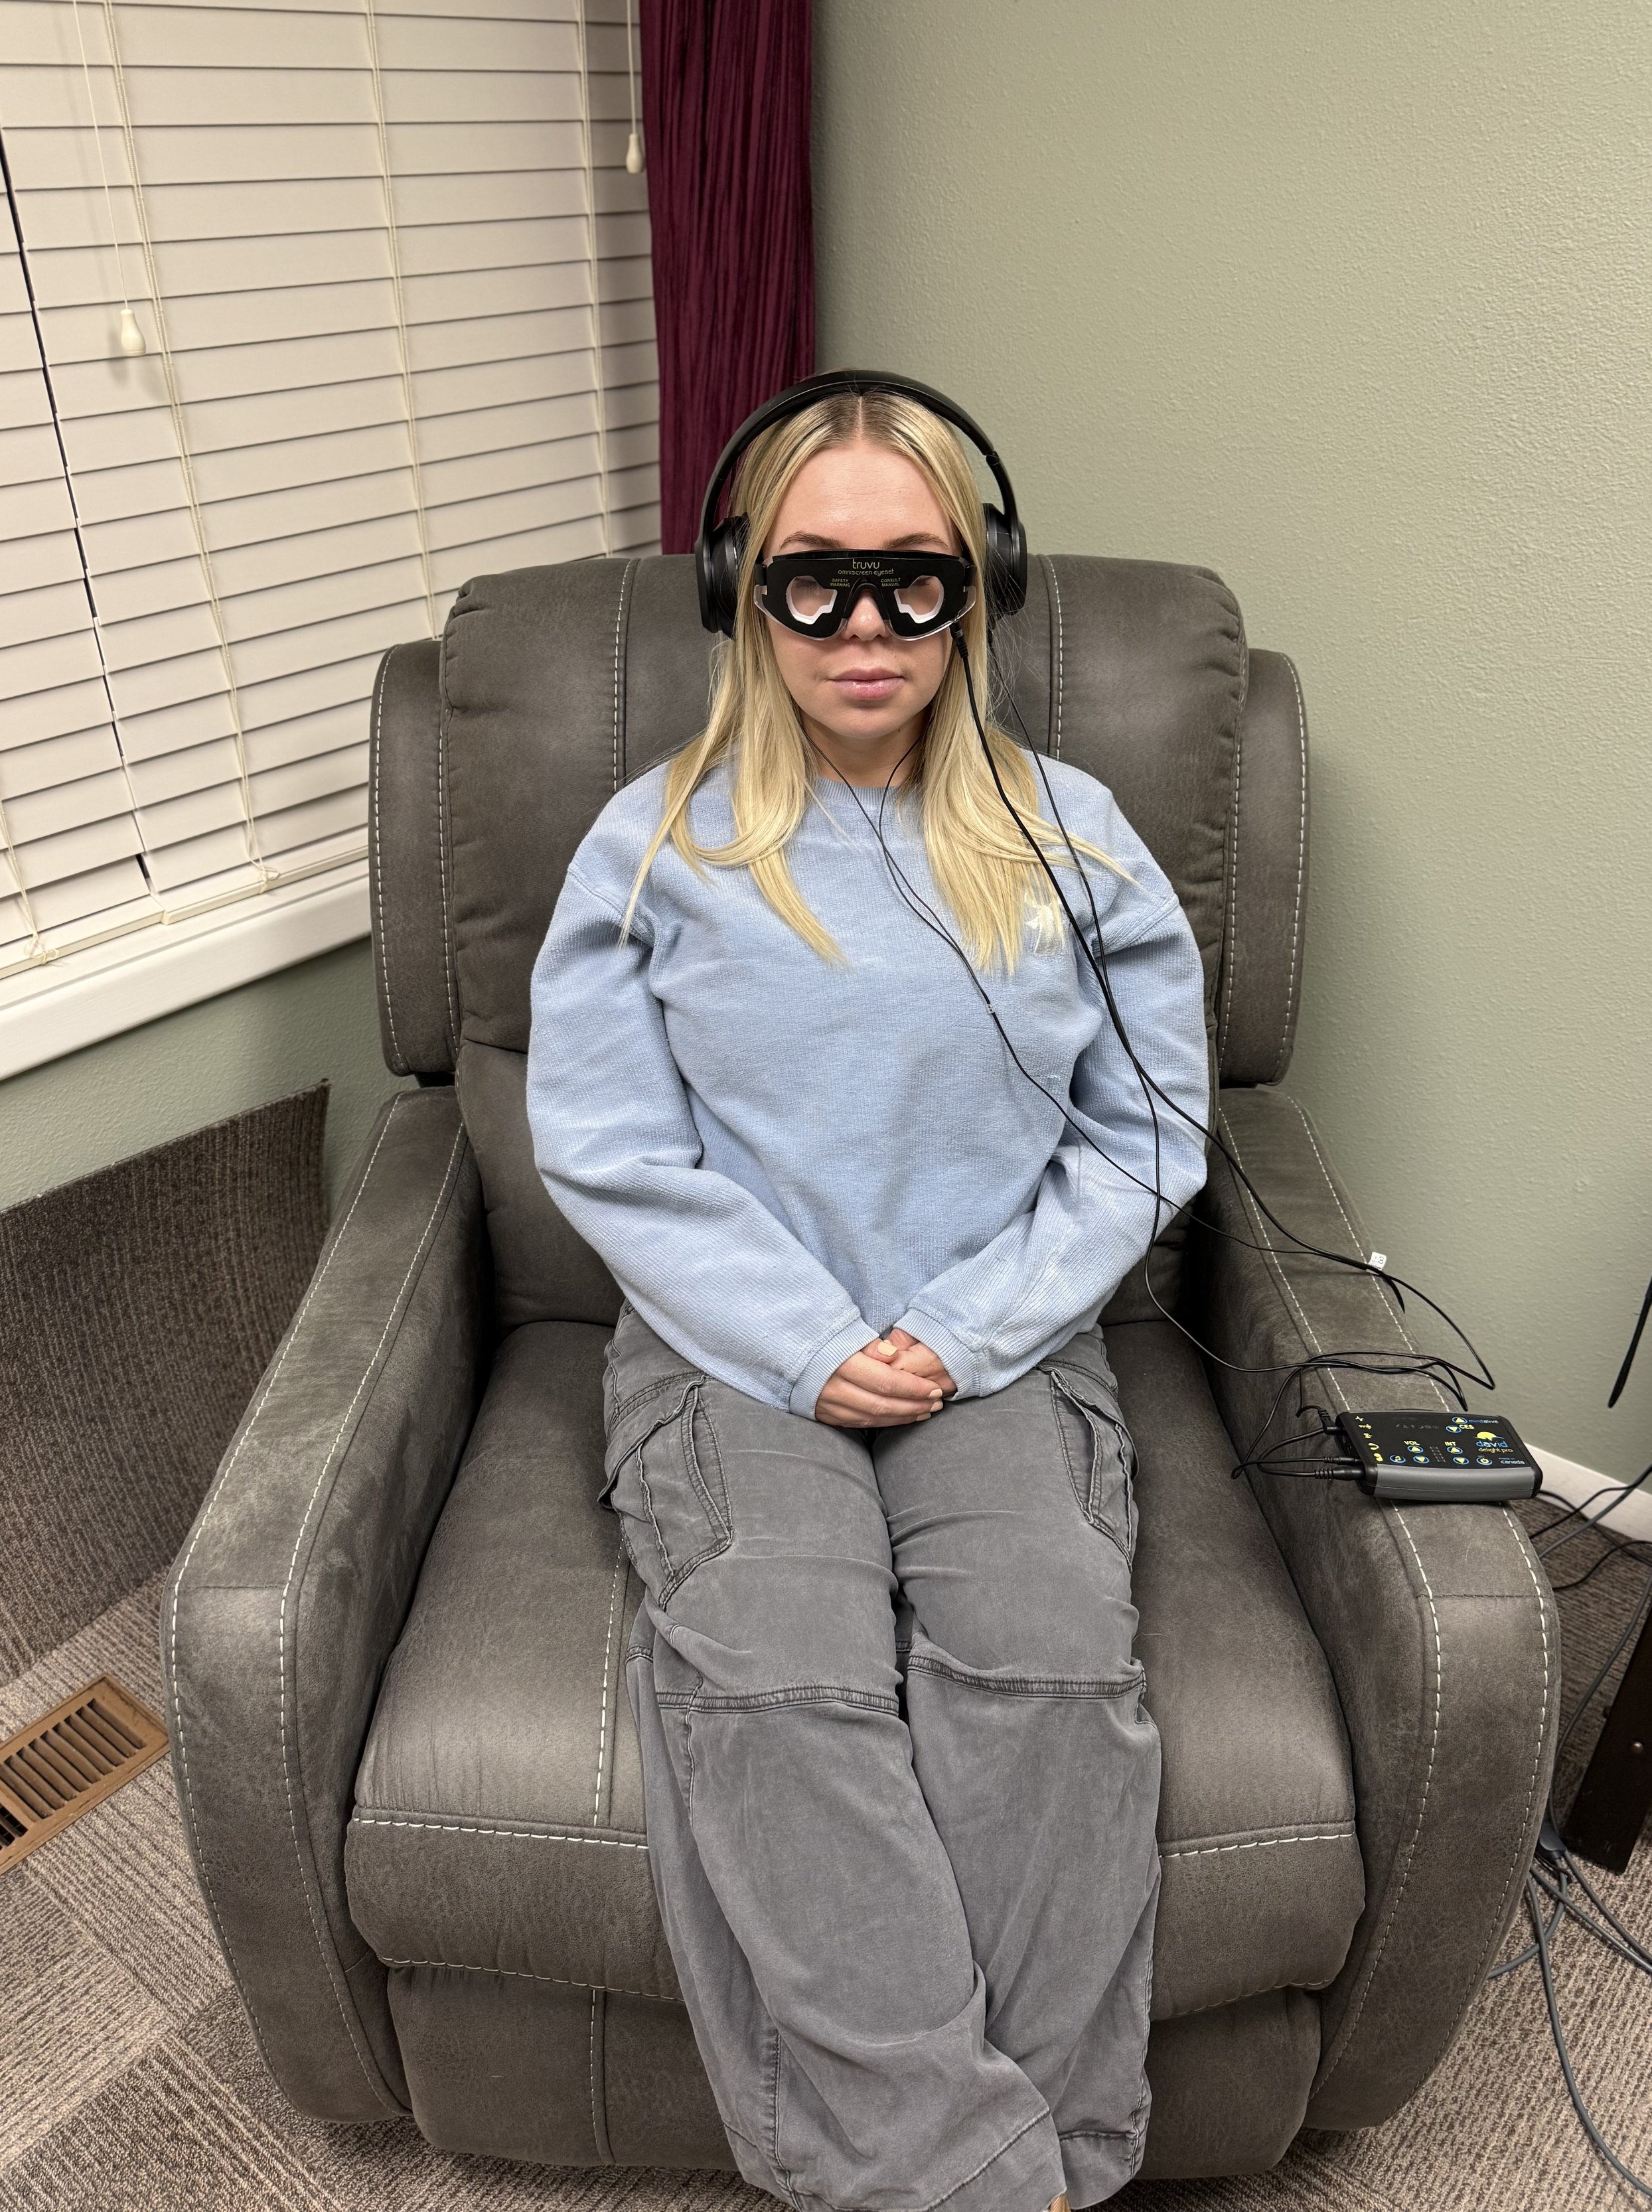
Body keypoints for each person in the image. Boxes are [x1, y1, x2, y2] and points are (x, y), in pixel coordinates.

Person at [526, 378, 1209, 2212]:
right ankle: (989, 2186)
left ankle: (1040, 2157)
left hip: (996, 1343)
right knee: (778, 1681)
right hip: (734, 1356)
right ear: (741, 592)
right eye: (812, 580)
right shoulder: (649, 847)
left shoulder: (1076, 841)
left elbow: (1144, 1142)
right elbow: (607, 1153)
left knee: (1049, 1664)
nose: (861, 628)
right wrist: (813, 1342)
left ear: (971, 589)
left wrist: (968, 1330)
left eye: (910, 581)